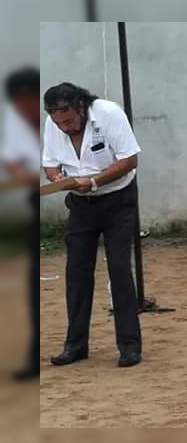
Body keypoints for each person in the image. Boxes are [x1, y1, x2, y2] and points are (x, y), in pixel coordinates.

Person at [41, 83, 143, 368]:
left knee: (120, 269)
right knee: (76, 272)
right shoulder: (54, 124)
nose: (64, 127)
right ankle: (75, 345)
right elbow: (49, 162)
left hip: (117, 200)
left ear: (82, 108)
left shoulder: (109, 114)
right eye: (58, 122)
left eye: (69, 120)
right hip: (80, 204)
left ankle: (129, 346)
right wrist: (56, 177)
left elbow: (129, 159)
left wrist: (95, 181)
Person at [1, 67, 41, 380]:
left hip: (81, 197)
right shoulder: (15, 122)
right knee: (33, 283)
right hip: (37, 199)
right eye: (19, 102)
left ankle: (78, 344)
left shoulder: (56, 114)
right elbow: (12, 159)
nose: (25, 107)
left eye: (29, 99)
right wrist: (20, 175)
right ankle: (33, 357)